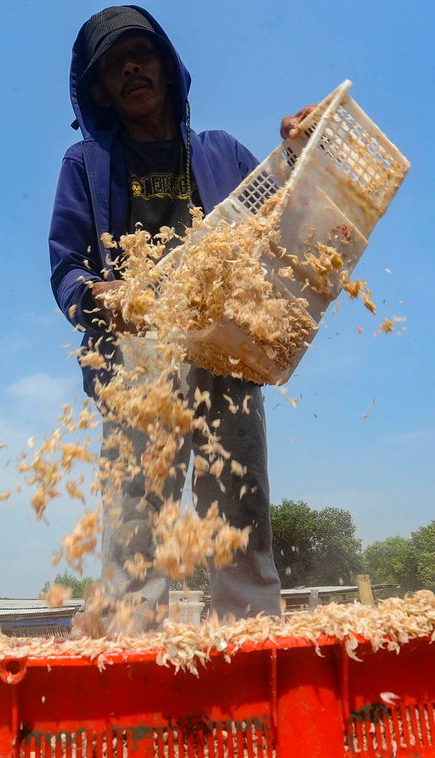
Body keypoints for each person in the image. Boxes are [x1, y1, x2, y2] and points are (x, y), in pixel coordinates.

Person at [50, 6, 310, 627]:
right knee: (138, 520)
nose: (131, 67)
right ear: (101, 90)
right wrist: (98, 295)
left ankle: (250, 645)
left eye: (141, 54)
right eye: (114, 64)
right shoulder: (84, 167)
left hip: (225, 348)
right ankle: (135, 655)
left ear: (168, 69)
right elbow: (66, 266)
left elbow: (286, 222)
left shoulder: (221, 152)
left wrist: (299, 153)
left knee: (239, 508)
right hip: (138, 360)